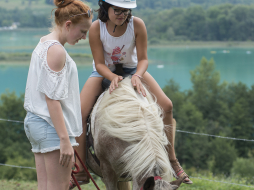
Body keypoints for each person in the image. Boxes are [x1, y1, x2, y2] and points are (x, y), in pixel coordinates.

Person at [75, 0, 193, 186]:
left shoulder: (137, 24)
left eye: (126, 10)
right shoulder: (97, 27)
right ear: (106, 7)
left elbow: (144, 58)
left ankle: (172, 160)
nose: (122, 14)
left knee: (167, 105)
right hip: (103, 71)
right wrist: (112, 76)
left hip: (133, 70)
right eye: (117, 10)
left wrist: (138, 74)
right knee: (79, 114)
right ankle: (81, 168)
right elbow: (99, 63)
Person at [23, 0, 92, 189]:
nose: (84, 37)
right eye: (83, 31)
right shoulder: (57, 51)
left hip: (37, 123)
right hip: (51, 127)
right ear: (68, 24)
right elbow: (51, 99)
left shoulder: (44, 42)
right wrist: (65, 140)